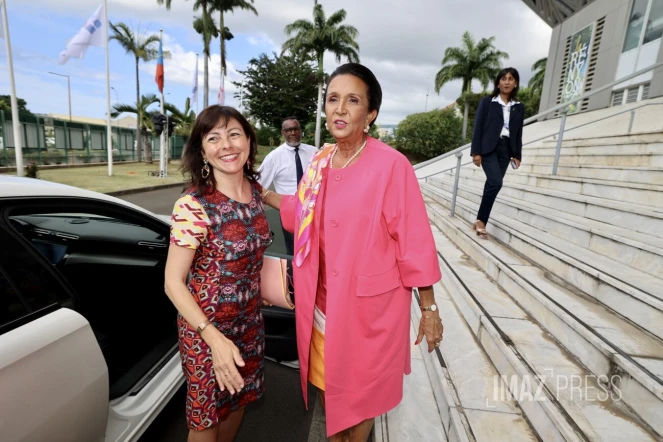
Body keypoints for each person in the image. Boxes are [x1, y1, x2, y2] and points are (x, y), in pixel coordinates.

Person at [261, 63, 444, 441]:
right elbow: (300, 212)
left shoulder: (392, 166)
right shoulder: (319, 162)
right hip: (321, 306)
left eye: (353, 100)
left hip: (369, 311)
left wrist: (429, 310)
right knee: (330, 395)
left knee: (362, 402)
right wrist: (263, 194)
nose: (340, 109)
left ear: (370, 113)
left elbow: (415, 243)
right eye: (333, 99)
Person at [164, 106, 271, 442]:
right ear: (203, 151)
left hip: (249, 322)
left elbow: (304, 207)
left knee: (238, 401)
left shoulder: (256, 191)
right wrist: (213, 339)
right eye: (214, 138)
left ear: (250, 142)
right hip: (205, 331)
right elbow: (172, 283)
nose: (226, 144)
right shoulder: (193, 204)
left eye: (234, 134)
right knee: (206, 420)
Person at [470, 67, 524, 239]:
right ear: (498, 82)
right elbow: (478, 127)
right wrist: (475, 152)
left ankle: (481, 220)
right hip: (488, 148)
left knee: (492, 184)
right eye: (503, 78)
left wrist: (518, 154)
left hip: (507, 149)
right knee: (496, 182)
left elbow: (518, 132)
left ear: (515, 83)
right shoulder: (488, 102)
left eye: (510, 79)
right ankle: (481, 221)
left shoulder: (518, 107)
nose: (507, 82)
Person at [258, 117, 317, 257]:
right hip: (290, 210)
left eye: (296, 129)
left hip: (314, 208)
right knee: (295, 251)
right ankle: (296, 278)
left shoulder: (314, 152)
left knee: (315, 247)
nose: (293, 132)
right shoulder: (274, 157)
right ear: (283, 133)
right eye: (288, 130)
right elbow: (258, 184)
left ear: (300, 131)